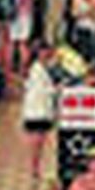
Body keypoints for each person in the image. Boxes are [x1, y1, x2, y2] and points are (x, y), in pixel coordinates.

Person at [21, 45, 58, 182]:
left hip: (40, 110)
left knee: (40, 142)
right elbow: (41, 90)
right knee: (37, 142)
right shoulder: (37, 70)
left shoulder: (43, 68)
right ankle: (34, 168)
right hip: (37, 112)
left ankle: (36, 167)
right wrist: (56, 89)